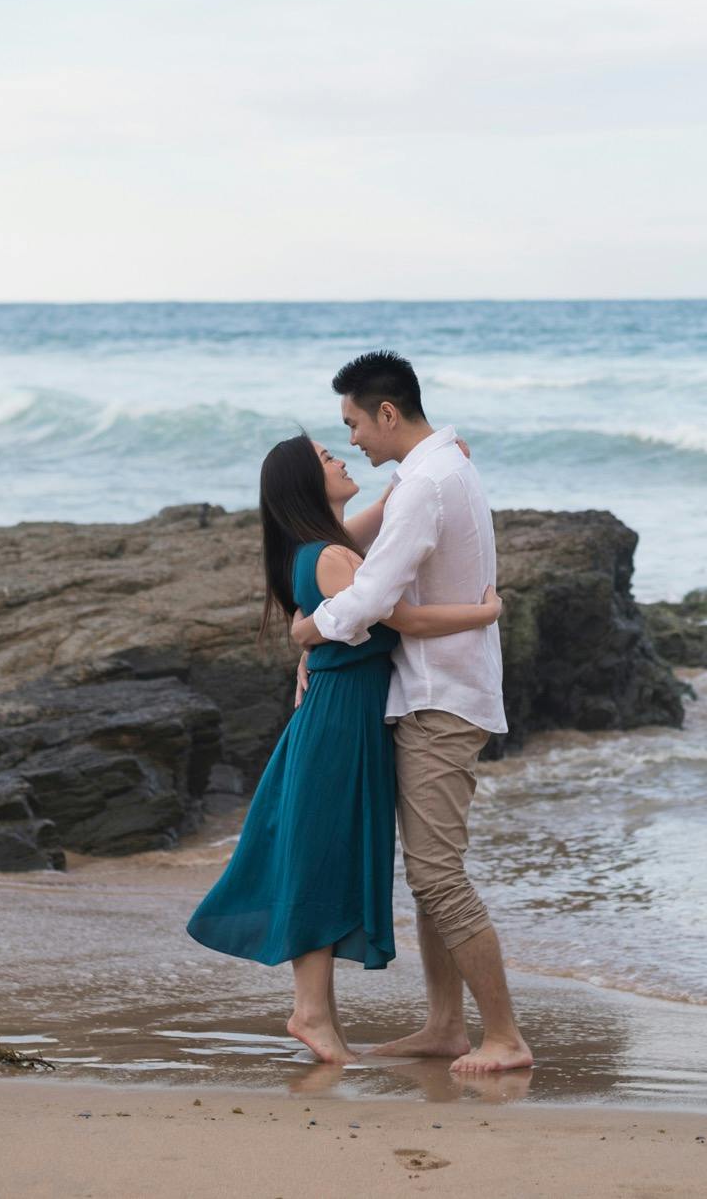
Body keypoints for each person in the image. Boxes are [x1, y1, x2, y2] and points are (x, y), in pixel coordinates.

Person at [185, 432, 501, 1065]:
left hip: (347, 713)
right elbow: (402, 620)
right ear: (307, 484)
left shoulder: (325, 546)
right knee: (320, 857)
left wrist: (434, 457)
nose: (341, 455)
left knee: (324, 853)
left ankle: (320, 1014)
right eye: (326, 458)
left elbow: (384, 514)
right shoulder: (331, 557)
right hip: (340, 721)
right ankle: (310, 1012)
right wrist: (485, 613)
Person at [290, 350, 535, 1075]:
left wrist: (308, 631)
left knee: (437, 876)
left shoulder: (427, 482)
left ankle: (505, 1037)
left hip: (441, 700)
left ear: (388, 413)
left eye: (354, 424)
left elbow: (372, 598)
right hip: (436, 691)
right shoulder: (435, 470)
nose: (353, 440)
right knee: (433, 874)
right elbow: (373, 542)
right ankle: (444, 1026)